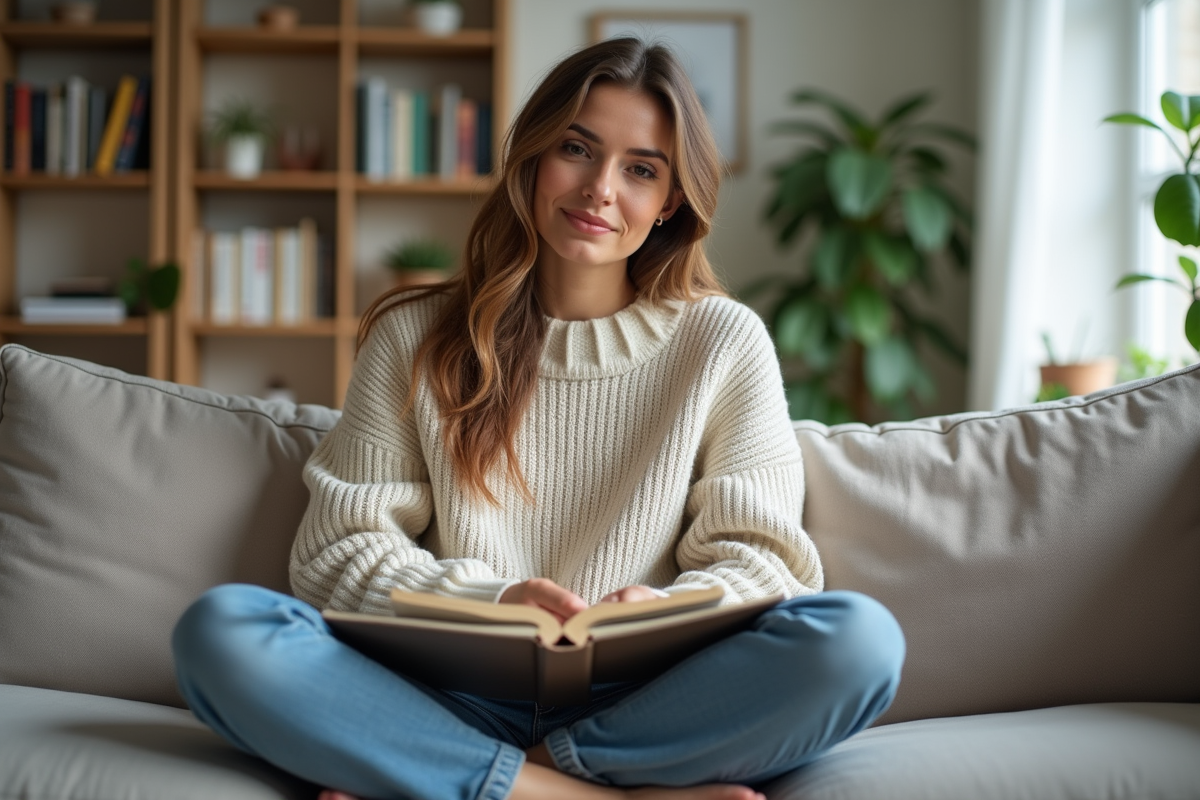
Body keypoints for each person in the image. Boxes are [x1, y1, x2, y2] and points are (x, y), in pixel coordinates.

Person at [172, 37, 905, 800]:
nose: (599, 190)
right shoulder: (415, 333)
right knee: (223, 633)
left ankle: (479, 778)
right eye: (576, 150)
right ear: (530, 158)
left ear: (670, 203)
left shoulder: (722, 340)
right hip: (443, 692)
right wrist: (490, 602)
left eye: (641, 169)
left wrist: (655, 610)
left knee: (858, 643)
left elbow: (769, 566)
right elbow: (336, 553)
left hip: (647, 698)